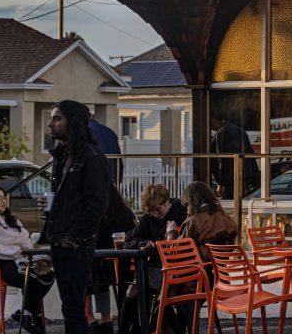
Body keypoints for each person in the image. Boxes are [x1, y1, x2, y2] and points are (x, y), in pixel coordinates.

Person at [42, 100, 111, 334]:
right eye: (52, 118)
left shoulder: (91, 157)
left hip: (76, 244)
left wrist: (73, 237)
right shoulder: (61, 157)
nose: (51, 123)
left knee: (73, 307)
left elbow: (98, 204)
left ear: (72, 122)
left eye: (57, 118)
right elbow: (64, 197)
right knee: (69, 307)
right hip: (58, 238)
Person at [0, 186, 54, 334]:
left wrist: (25, 251)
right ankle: (32, 317)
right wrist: (16, 251)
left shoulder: (12, 220)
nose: (3, 201)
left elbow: (26, 239)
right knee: (31, 277)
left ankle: (24, 313)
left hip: (14, 261)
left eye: (4, 197)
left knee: (48, 274)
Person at [117, 185, 187, 334]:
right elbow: (129, 240)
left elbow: (179, 247)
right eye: (151, 211)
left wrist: (162, 242)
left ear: (167, 202)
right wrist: (143, 243)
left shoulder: (181, 214)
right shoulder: (149, 218)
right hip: (157, 268)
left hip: (179, 269)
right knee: (137, 287)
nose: (155, 213)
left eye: (158, 208)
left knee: (139, 286)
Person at [86, 111, 121, 334]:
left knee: (86, 269)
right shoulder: (108, 133)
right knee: (102, 268)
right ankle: (105, 316)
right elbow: (119, 167)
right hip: (108, 201)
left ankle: (87, 315)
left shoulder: (80, 136)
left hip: (88, 215)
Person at [177, 182, 238, 260]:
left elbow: (176, 255)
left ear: (190, 202)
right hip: (220, 268)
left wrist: (171, 233)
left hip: (197, 269)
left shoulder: (192, 222)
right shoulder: (226, 218)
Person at [209, 109, 260, 198]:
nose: (209, 125)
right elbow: (251, 156)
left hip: (231, 180)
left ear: (215, 119)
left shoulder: (222, 133)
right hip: (245, 178)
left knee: (231, 205)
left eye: (210, 121)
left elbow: (223, 161)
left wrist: (221, 183)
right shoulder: (241, 131)